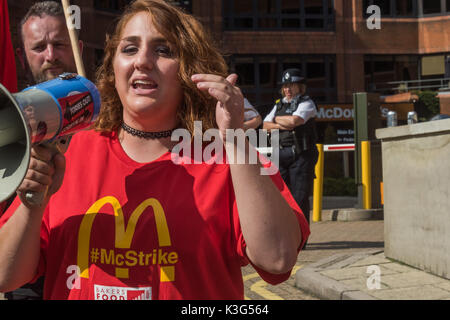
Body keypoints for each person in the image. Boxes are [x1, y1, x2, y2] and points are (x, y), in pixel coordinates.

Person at [0, 0, 309, 300]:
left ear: (190, 71)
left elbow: (277, 259)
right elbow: (5, 276)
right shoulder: (69, 150)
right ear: (113, 68)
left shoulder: (226, 154)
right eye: (130, 48)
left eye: (163, 50)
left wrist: (235, 141)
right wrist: (32, 204)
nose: (142, 61)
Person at [1, 0, 83, 300]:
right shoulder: (8, 117)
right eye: (39, 47)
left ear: (78, 49)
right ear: (22, 57)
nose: (50, 56)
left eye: (59, 44)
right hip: (26, 280)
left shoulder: (107, 113)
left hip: (85, 267)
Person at [263, 68, 319, 226]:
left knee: (299, 197)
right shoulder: (279, 105)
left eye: (291, 85)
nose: (287, 89)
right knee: (282, 196)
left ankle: (301, 236)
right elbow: (265, 126)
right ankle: (288, 234)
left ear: (300, 87)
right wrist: (284, 124)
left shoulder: (306, 103)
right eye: (285, 86)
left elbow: (295, 122)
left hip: (301, 154)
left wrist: (277, 120)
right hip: (281, 154)